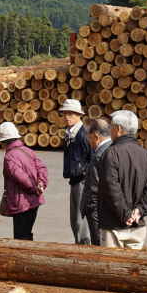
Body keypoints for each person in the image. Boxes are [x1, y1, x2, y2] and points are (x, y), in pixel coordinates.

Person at [98, 110, 147, 250]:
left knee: (113, 269)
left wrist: (126, 214)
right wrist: (139, 211)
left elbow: (110, 188)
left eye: (111, 127)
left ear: (119, 129)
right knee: (133, 270)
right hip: (137, 226)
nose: (110, 130)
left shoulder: (111, 153)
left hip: (113, 226)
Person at [0, 122, 48, 241]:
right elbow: (42, 168)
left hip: (21, 202)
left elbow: (19, 176)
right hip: (35, 200)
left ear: (4, 141)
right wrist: (41, 184)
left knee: (20, 236)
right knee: (27, 232)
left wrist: (33, 187)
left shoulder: (9, 156)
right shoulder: (28, 151)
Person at [60, 99, 91, 244]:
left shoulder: (83, 134)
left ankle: (83, 245)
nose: (67, 117)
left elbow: (92, 157)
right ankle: (78, 243)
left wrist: (84, 173)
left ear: (79, 115)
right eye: (65, 113)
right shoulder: (69, 133)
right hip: (74, 179)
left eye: (71, 114)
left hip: (82, 181)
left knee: (80, 219)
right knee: (74, 218)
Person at [80, 118, 112, 246]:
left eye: (89, 138)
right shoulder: (112, 149)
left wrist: (90, 209)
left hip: (97, 211)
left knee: (98, 244)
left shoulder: (100, 154)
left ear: (96, 136)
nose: (89, 142)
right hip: (103, 209)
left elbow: (94, 186)